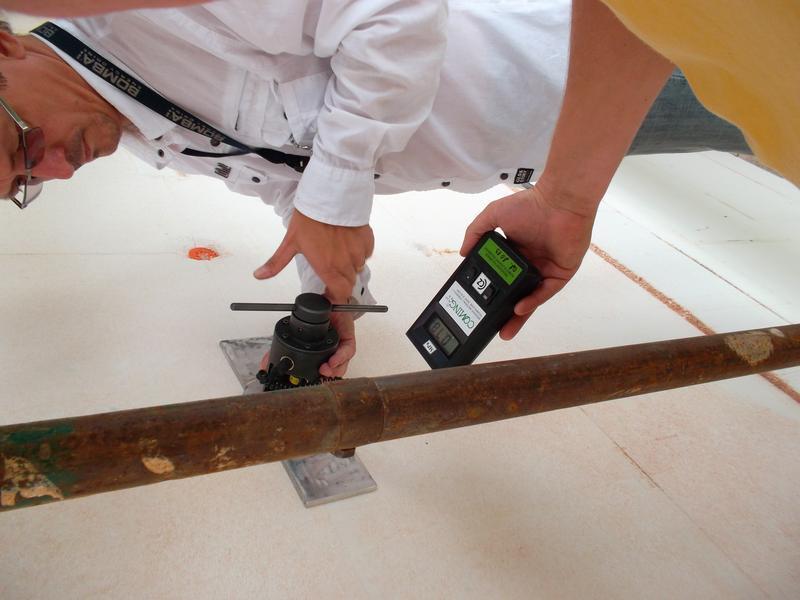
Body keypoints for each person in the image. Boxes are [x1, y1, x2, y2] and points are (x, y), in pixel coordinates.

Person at [0, 1, 749, 375]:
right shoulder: (131, 129)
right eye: (26, 183)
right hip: (564, 156)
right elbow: (286, 180)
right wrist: (333, 291)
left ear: (6, 46)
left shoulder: (146, 20)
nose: (55, 169)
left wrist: (334, 195)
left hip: (577, 71)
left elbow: (388, 9)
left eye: (20, 144)